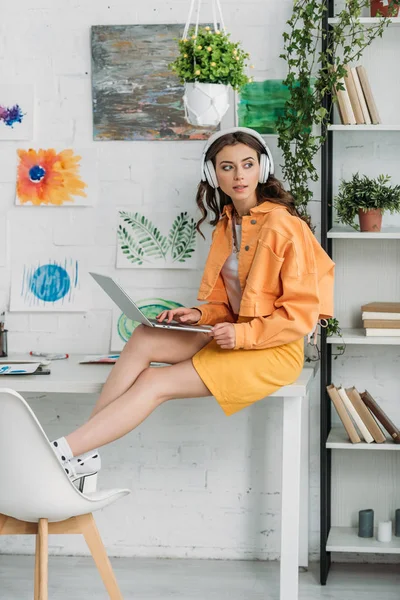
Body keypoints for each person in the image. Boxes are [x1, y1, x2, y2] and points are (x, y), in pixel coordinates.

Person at [51, 127, 335, 485]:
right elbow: (228, 302)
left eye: (247, 165)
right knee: (145, 335)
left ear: (262, 169)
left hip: (274, 349)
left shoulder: (286, 227)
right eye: (227, 167)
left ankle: (58, 453)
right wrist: (199, 314)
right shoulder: (226, 224)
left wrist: (243, 334)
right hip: (235, 333)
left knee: (155, 380)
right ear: (212, 174)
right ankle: (84, 455)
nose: (239, 175)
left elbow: (300, 315)